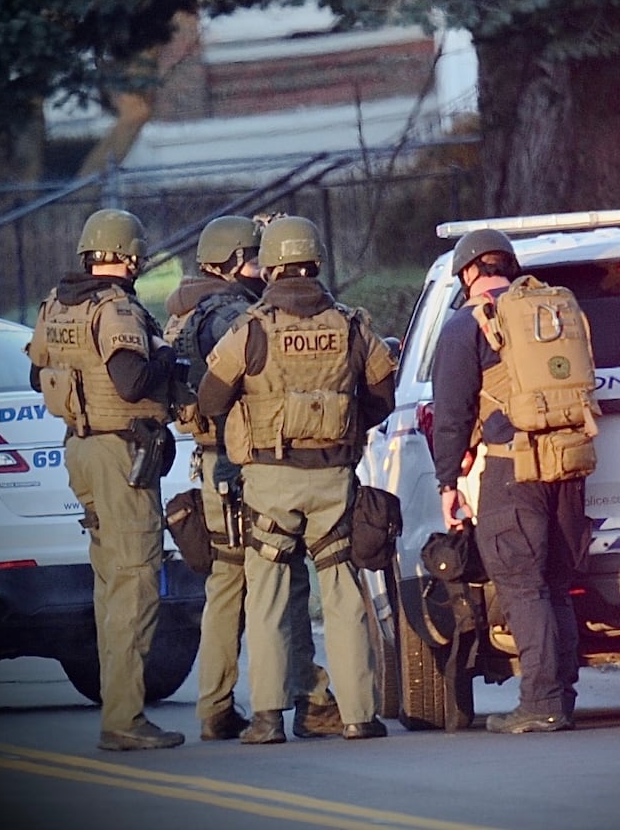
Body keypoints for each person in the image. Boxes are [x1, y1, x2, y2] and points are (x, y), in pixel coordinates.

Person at [197, 214, 397, 743]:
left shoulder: (253, 329)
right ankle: (359, 715)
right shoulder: (352, 325)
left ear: (270, 269)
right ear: (315, 262)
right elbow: (382, 395)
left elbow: (210, 398)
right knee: (343, 594)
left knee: (266, 596)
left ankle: (267, 718)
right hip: (333, 478)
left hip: (269, 480)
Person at [163, 214, 342, 741]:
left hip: (210, 466)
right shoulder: (233, 315)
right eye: (255, 258)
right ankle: (311, 699)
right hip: (244, 464)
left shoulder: (186, 312)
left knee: (227, 584)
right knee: (281, 582)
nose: (265, 270)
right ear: (234, 261)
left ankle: (216, 706)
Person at [27, 208, 184, 751]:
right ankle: (124, 718)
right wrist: (167, 359)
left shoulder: (56, 305)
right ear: (128, 256)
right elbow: (131, 377)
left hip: (82, 451)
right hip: (122, 455)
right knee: (136, 581)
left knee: (109, 579)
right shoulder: (116, 309)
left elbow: (35, 372)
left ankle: (118, 709)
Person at [431, 228, 593, 734]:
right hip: (567, 464)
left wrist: (447, 482)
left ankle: (539, 703)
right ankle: (560, 698)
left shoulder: (466, 326)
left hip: (511, 468)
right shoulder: (553, 312)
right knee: (555, 587)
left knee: (523, 588)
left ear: (468, 273)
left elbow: (453, 413)